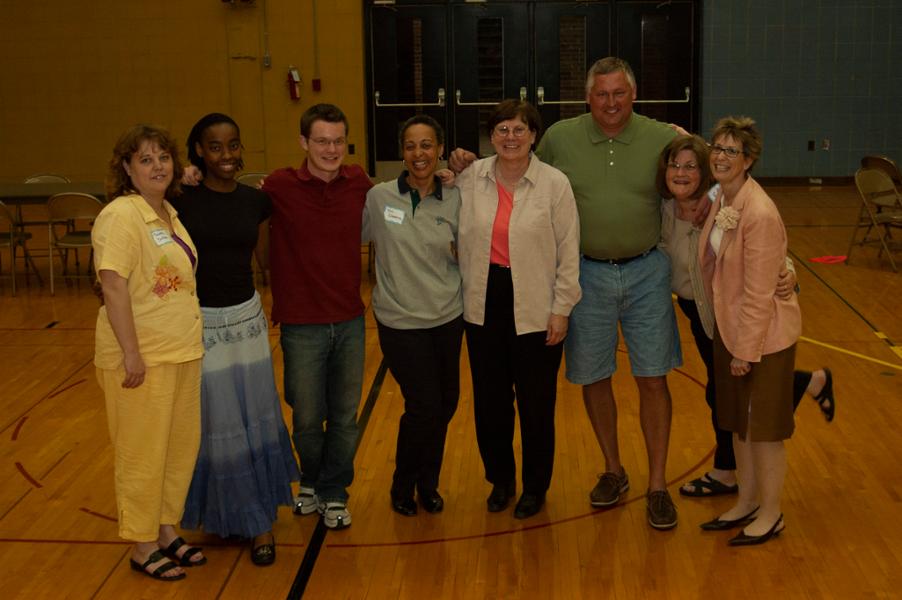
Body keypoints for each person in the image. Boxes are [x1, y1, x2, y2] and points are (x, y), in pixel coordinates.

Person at [654, 135, 836, 498]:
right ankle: (809, 382)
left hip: (730, 313)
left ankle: (726, 473)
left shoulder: (718, 202)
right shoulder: (661, 209)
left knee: (724, 392)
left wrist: (789, 272)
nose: (681, 172)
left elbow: (763, 247)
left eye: (691, 166)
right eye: (675, 165)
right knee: (730, 390)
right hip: (699, 311)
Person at [171, 113, 300, 565]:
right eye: (215, 147)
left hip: (246, 322)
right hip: (200, 324)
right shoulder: (180, 199)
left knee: (254, 420)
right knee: (218, 426)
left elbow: (269, 255)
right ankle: (228, 515)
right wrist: (175, 178)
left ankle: (259, 521)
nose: (226, 155)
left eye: (232, 145)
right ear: (199, 153)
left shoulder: (255, 201)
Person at [456, 100, 581, 519]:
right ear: (490, 137)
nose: (511, 137)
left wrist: (561, 309)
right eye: (502, 130)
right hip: (483, 300)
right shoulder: (470, 178)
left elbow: (569, 251)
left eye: (519, 130)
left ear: (534, 136)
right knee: (490, 402)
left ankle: (534, 487)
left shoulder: (554, 184)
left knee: (535, 403)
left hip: (536, 302)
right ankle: (501, 480)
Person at [93, 125, 204, 581]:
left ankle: (163, 528)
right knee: (142, 452)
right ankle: (141, 544)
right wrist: (131, 354)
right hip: (142, 359)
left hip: (181, 351)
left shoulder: (168, 213)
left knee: (177, 451)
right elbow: (112, 284)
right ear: (126, 169)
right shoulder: (122, 215)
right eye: (145, 159)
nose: (158, 166)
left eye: (163, 158)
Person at [261, 104, 373, 529]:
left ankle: (333, 490)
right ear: (304, 142)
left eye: (338, 141)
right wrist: (189, 177)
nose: (331, 149)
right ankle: (309, 479)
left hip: (349, 320)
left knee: (344, 416)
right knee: (307, 416)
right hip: (300, 324)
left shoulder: (359, 181)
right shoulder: (279, 186)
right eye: (322, 141)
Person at [697, 116, 801, 545]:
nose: (720, 157)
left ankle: (772, 512)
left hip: (762, 339)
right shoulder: (722, 196)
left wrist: (745, 351)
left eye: (730, 151)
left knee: (763, 430)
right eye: (716, 149)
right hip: (731, 328)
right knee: (739, 424)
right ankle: (747, 500)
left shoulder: (758, 212)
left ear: (749, 159)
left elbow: (760, 294)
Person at [362, 115, 463, 516]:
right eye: (410, 146)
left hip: (447, 317)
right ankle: (403, 484)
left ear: (439, 148)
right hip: (400, 321)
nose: (418, 154)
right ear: (401, 152)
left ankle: (428, 483)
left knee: (447, 402)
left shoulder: (457, 196)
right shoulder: (379, 197)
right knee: (424, 405)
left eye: (426, 145)